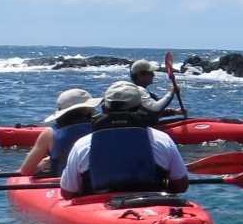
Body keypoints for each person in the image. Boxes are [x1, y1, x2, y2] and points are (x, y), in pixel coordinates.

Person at [59, 81, 190, 197]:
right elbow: (181, 185)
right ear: (140, 108)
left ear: (104, 108)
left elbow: (67, 191)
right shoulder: (162, 139)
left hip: (99, 210)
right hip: (151, 205)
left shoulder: (82, 144)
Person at [18, 88, 98, 176]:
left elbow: (25, 171)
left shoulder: (49, 133)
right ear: (89, 108)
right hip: (96, 182)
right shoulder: (101, 127)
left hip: (64, 184)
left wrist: (41, 165)